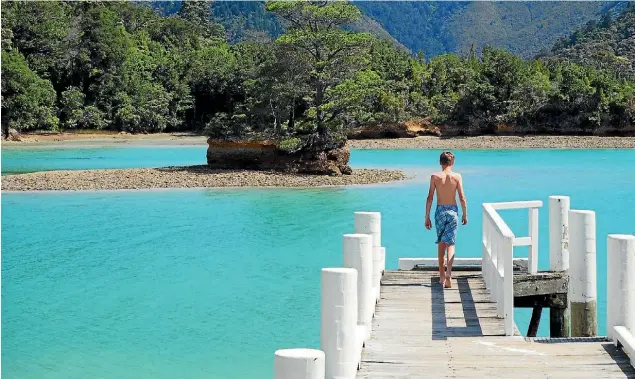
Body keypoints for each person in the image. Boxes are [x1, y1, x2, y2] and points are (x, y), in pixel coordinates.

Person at [424, 151, 467, 288]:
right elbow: (462, 198)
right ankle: (449, 272)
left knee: (441, 243)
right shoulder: (457, 176)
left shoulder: (435, 176)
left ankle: (442, 276)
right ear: (452, 162)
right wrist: (465, 214)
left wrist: (427, 216)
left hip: (440, 211)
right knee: (451, 244)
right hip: (453, 211)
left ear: (440, 162)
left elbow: (430, 197)